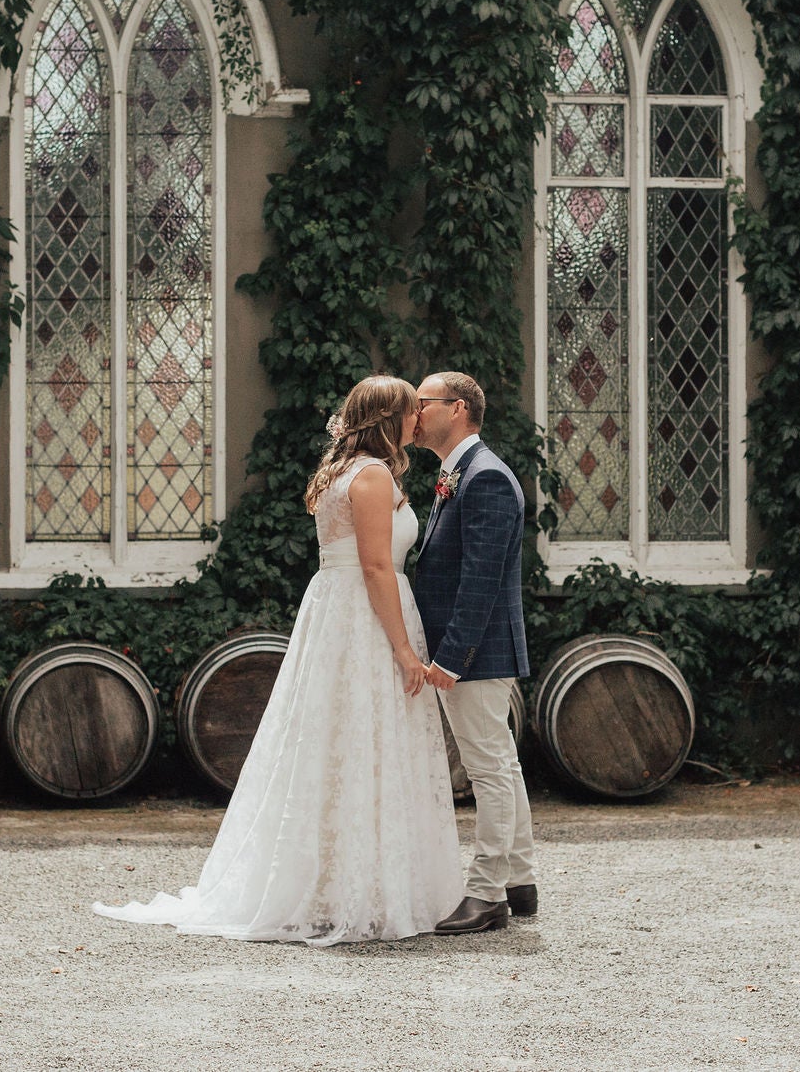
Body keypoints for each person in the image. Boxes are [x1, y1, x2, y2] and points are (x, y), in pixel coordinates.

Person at [93, 375, 463, 945]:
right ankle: (354, 887)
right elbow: (375, 569)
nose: (419, 419)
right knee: (359, 742)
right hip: (364, 619)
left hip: (343, 613)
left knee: (343, 745)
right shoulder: (368, 478)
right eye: (411, 411)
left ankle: (346, 879)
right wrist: (405, 651)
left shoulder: (348, 472)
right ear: (389, 419)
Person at [409, 371, 535, 935]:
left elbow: (480, 580)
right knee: (501, 763)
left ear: (456, 409)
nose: (414, 413)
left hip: (476, 653)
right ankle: (519, 879)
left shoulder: (484, 478)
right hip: (476, 651)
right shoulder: (459, 473)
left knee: (487, 770)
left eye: (422, 403)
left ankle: (486, 894)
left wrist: (453, 656)